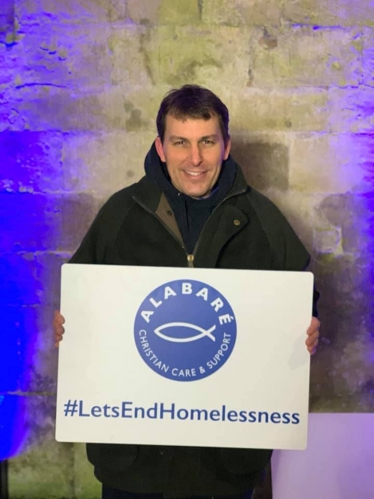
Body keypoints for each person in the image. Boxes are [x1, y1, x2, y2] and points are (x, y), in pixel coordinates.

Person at [54, 84, 320, 499]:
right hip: (133, 461)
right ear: (161, 147)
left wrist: (309, 326)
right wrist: (67, 323)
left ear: (226, 146)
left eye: (207, 142)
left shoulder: (263, 219)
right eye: (181, 142)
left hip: (224, 463)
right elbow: (80, 297)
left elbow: (302, 299)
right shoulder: (120, 215)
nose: (194, 159)